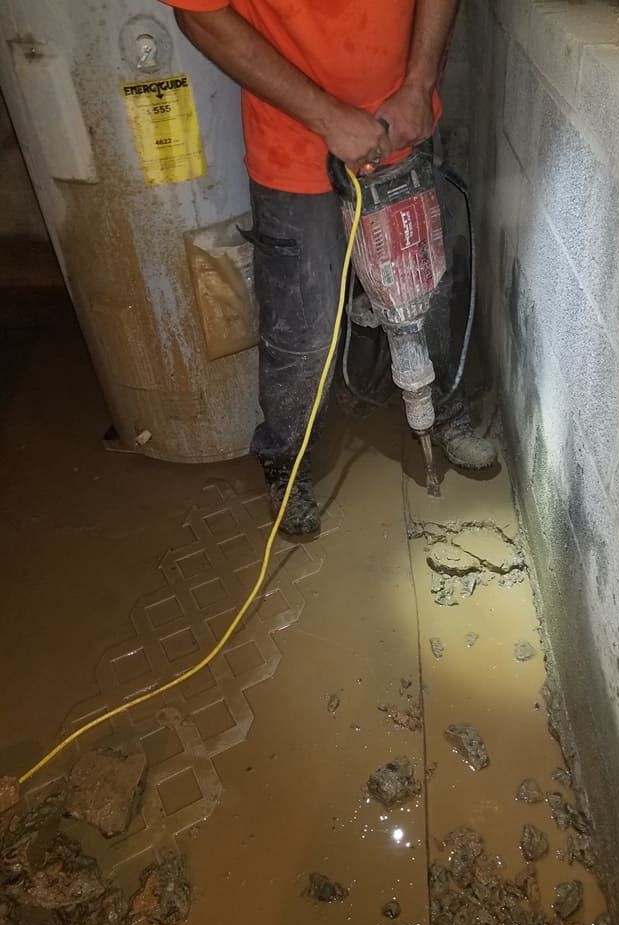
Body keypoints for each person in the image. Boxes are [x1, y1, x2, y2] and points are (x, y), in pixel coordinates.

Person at [162, 0, 497, 534]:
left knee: (424, 285)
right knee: (304, 323)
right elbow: (200, 15)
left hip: (400, 121)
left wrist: (419, 80)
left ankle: (442, 410)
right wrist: (328, 118)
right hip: (295, 142)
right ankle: (287, 460)